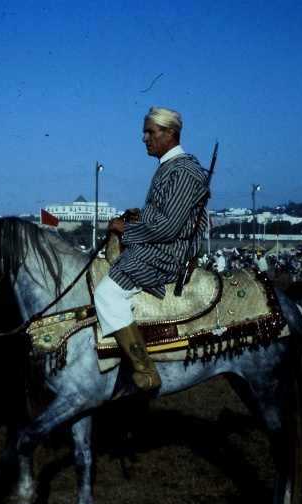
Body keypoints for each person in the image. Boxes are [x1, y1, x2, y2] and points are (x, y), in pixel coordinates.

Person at [94, 107, 210, 394]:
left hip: (168, 254)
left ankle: (145, 370)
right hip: (161, 246)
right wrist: (139, 216)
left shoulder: (183, 171)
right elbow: (163, 216)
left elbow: (169, 228)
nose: (145, 138)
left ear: (170, 133)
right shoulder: (168, 167)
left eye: (150, 132)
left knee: (107, 292)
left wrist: (125, 229)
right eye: (145, 132)